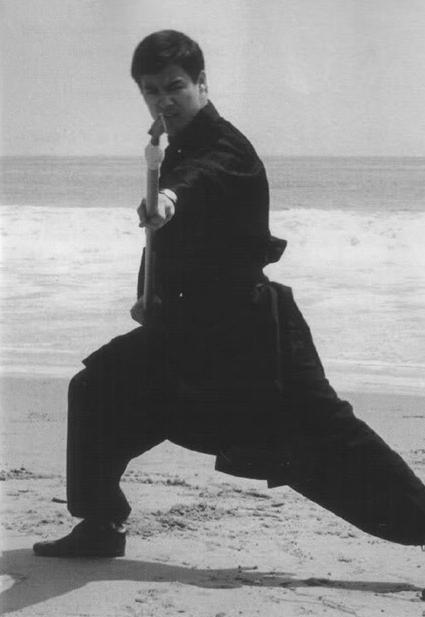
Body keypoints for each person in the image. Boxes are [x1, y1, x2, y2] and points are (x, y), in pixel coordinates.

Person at [33, 30, 425, 558]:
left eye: (175, 87)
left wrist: (168, 196)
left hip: (253, 337)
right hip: (186, 328)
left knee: (324, 443)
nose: (163, 99)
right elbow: (177, 240)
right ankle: (101, 524)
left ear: (201, 82)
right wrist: (149, 295)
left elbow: (200, 181)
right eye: (151, 90)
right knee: (98, 389)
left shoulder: (225, 148)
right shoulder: (174, 144)